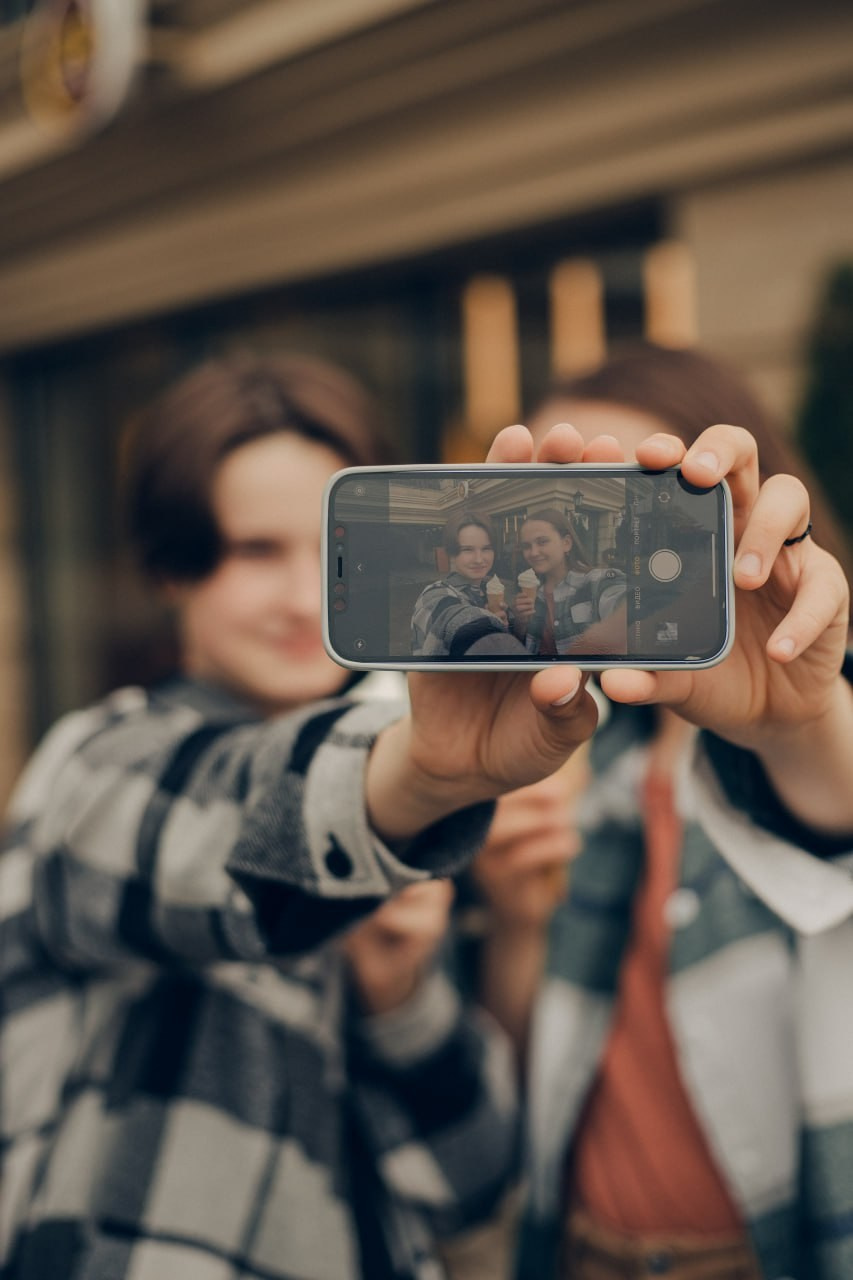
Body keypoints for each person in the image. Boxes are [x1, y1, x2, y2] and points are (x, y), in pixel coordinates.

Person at [0, 352, 602, 1280]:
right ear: (172, 569)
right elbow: (213, 820)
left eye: (335, 548)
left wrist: (406, 991)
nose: (301, 595)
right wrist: (413, 782)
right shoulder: (90, 763)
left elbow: (480, 1193)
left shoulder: (415, 806)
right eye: (255, 550)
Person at [468, 342, 853, 1280]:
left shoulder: (805, 726)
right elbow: (532, 1093)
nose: (604, 547)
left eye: (640, 507)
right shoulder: (563, 748)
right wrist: (517, 926)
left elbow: (831, 809)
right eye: (572, 509)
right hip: (577, 1251)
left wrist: (799, 722)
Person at [513, 506, 626, 656]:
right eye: (527, 546)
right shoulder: (534, 594)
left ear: (566, 543)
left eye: (542, 542)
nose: (533, 553)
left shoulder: (596, 581)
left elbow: (625, 603)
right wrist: (521, 624)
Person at [411, 508, 522, 657]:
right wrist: (489, 624)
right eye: (467, 550)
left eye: (486, 549)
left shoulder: (487, 589)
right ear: (451, 553)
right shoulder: (434, 595)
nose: (479, 559)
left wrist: (518, 620)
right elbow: (452, 619)